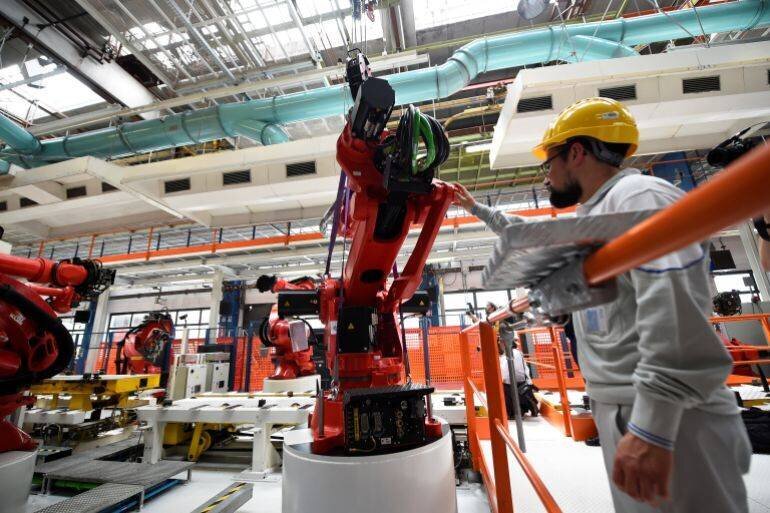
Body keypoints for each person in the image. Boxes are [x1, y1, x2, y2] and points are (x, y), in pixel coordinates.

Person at [454, 97, 751, 513]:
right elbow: (532, 235)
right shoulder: (603, 211)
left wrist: (652, 429)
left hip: (670, 419)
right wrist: (475, 209)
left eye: (548, 163)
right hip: (628, 409)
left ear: (576, 153)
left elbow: (676, 319)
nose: (546, 177)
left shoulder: (639, 196)